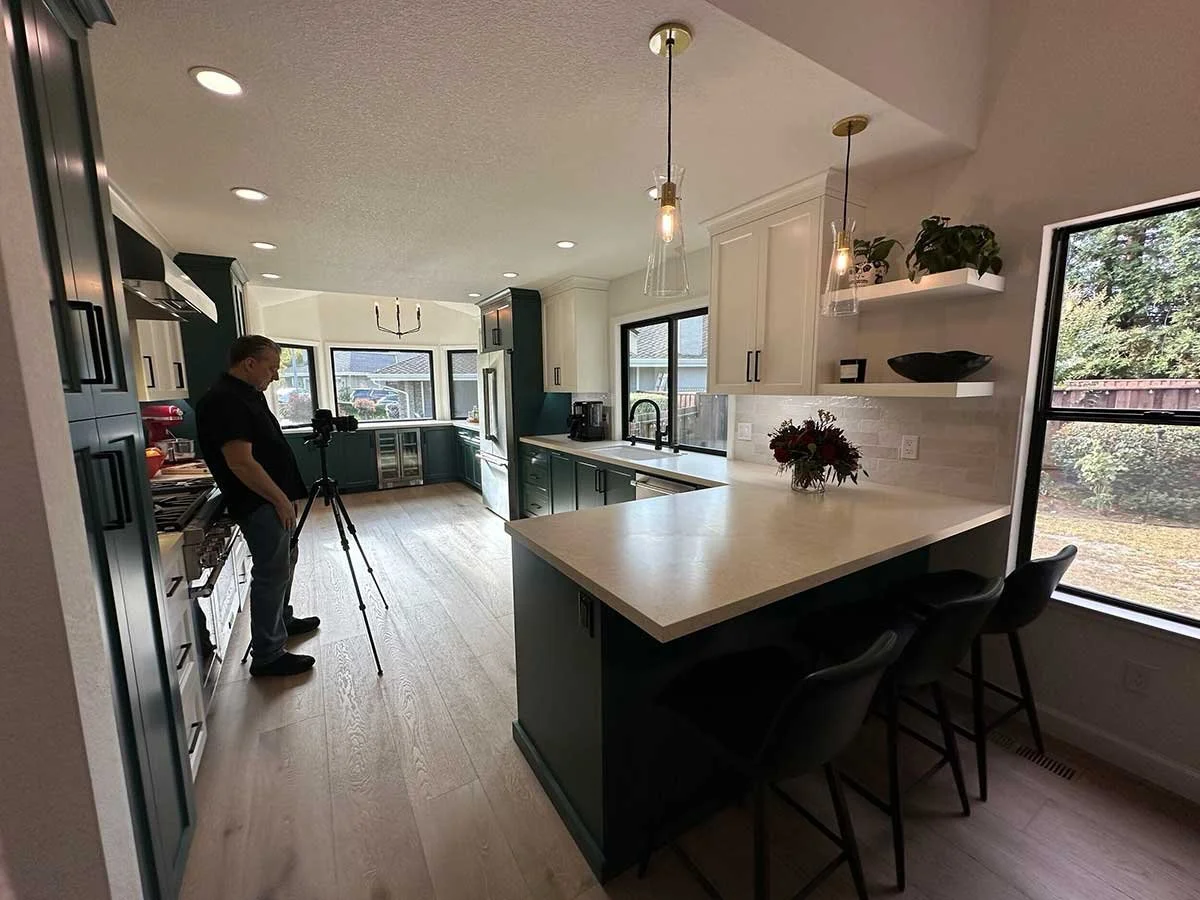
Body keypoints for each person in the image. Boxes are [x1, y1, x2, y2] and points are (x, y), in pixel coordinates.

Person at [195, 335, 319, 677]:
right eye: (272, 367)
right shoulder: (225, 401)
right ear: (249, 363)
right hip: (259, 502)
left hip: (270, 499)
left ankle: (282, 620)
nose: (275, 375)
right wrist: (279, 499)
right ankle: (268, 653)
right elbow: (241, 463)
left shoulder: (245, 396)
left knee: (284, 561)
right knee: (271, 572)